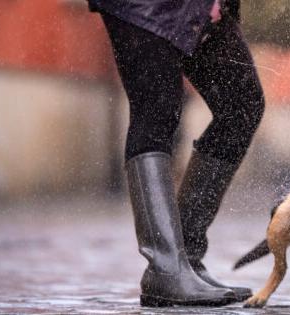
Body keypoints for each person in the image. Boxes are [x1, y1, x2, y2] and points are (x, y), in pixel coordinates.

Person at [87, 0, 265, 307]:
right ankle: (166, 268)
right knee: (157, 109)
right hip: (144, 8)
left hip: (202, 7)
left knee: (242, 104)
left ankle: (187, 257)